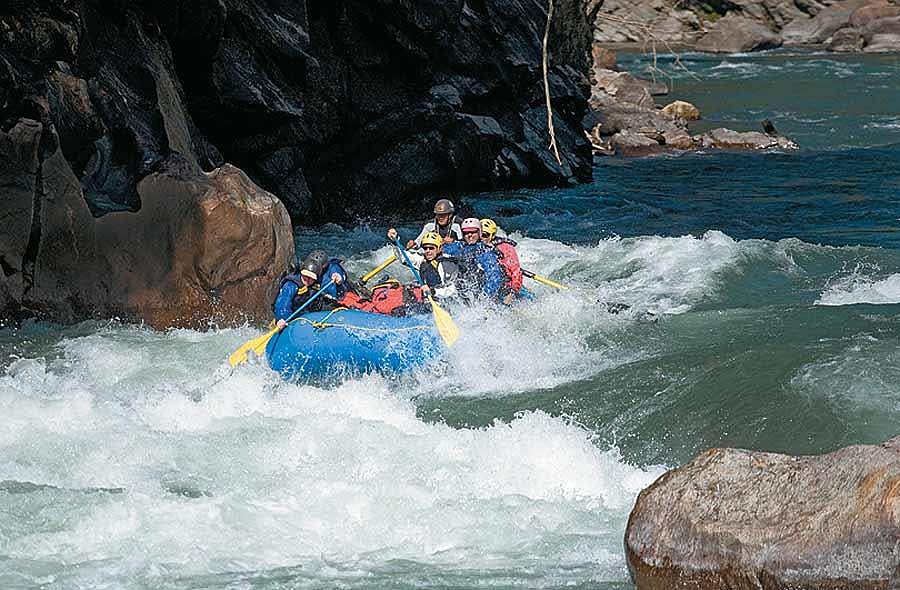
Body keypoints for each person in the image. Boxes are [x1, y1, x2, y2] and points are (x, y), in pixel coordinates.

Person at [273, 250, 349, 330]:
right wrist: (282, 318)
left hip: (310, 312)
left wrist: (339, 283)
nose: (307, 280)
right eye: (305, 276)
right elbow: (283, 303)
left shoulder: (320, 281)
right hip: (293, 314)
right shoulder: (291, 285)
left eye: (311, 278)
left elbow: (340, 294)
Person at [442, 217, 503, 302]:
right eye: (466, 233)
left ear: (479, 233)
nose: (469, 235)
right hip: (463, 290)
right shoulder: (458, 246)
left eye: (473, 232)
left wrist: (484, 298)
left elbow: (493, 276)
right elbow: (441, 252)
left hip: (480, 293)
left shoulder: (484, 251)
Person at [387, 229, 459, 299]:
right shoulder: (423, 260)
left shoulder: (446, 265)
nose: (428, 251)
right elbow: (403, 257)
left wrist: (434, 291)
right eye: (425, 248)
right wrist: (395, 242)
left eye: (431, 248)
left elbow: (452, 289)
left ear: (439, 248)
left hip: (446, 302)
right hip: (428, 299)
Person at [389, 198, 462, 250]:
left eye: (444, 215)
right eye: (438, 214)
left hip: (453, 255)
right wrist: (413, 245)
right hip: (434, 255)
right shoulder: (430, 225)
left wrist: (454, 243)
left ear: (450, 215)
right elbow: (418, 242)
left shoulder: (458, 224)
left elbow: (466, 246)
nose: (440, 217)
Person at [480, 218, 523, 304]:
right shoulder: (474, 246)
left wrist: (512, 293)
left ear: (492, 235)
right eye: (479, 234)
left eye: (484, 235)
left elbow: (516, 271)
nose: (481, 238)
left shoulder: (505, 248)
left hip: (507, 287)